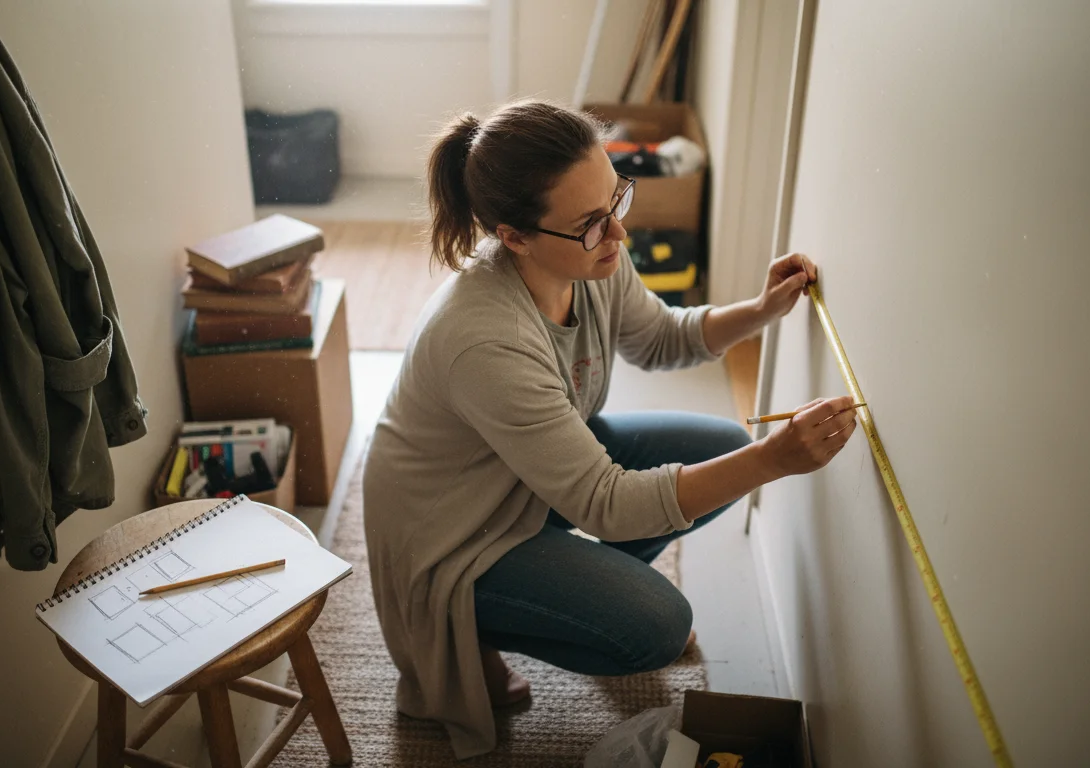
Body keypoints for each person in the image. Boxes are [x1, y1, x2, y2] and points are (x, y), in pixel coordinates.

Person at [362, 100, 858, 758]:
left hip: (518, 480)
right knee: (656, 624)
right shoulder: (486, 338)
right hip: (454, 531)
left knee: (722, 451)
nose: (619, 236)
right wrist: (777, 459)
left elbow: (658, 337)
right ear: (515, 237)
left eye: (616, 199)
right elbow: (608, 503)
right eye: (594, 224)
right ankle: (474, 627)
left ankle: (577, 588)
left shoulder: (586, 254)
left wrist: (762, 309)